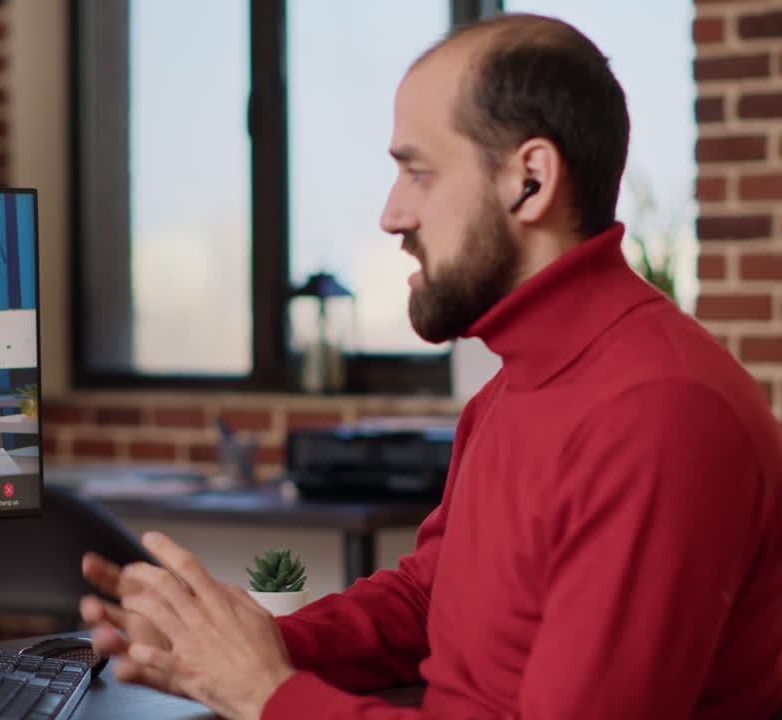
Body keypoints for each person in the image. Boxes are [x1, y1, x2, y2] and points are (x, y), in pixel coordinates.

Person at [80, 14, 782, 719]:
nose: (391, 214)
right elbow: (429, 598)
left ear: (529, 181)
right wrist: (242, 645)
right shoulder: (515, 384)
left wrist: (267, 694)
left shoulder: (658, 412)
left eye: (417, 171)